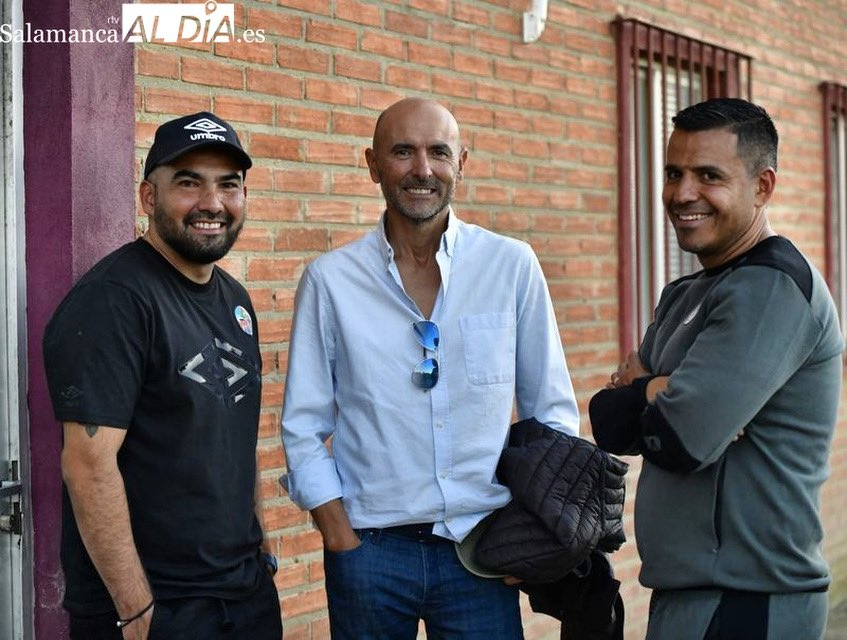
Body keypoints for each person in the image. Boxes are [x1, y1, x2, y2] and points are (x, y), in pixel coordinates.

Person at [280, 97, 579, 638]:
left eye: (438, 152)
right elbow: (303, 425)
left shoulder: (511, 266)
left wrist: (534, 532)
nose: (422, 169)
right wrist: (338, 536)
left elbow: (551, 414)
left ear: (462, 161)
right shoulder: (330, 281)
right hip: (369, 552)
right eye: (402, 152)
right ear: (372, 164)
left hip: (481, 552)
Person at [589, 98, 843, 639]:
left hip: (750, 600)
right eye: (674, 173)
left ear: (762, 186)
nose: (683, 194)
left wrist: (653, 391)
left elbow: (681, 439)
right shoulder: (684, 293)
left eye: (709, 175)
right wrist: (660, 392)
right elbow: (610, 419)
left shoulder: (772, 286)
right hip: (689, 595)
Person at [43, 112, 282, 640]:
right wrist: (136, 611)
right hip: (159, 607)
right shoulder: (115, 301)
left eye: (228, 184)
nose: (212, 203)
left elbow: (235, 431)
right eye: (189, 182)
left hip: (243, 595)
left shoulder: (236, 301)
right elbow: (87, 464)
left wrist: (261, 546)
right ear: (149, 197)